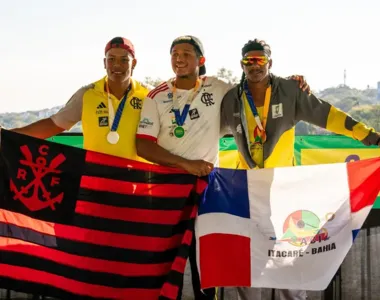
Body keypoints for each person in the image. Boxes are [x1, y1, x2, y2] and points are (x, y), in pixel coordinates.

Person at [135, 35, 310, 300]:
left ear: (200, 60)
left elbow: (256, 85)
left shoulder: (219, 88)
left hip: (207, 190)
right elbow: (144, 146)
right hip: (166, 191)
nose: (179, 59)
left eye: (186, 54)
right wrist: (186, 164)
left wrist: (291, 82)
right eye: (174, 53)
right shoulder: (155, 96)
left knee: (206, 262)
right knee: (163, 262)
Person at [220, 38, 380, 300]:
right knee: (247, 263)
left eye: (260, 59)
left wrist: (370, 136)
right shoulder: (231, 99)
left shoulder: (289, 91)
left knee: (288, 263)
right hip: (246, 193)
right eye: (249, 60)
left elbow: (328, 115)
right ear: (242, 64)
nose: (254, 65)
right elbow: (203, 131)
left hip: (283, 193)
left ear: (270, 63)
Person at [8, 37, 150, 160]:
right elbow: (54, 124)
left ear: (134, 63)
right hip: (96, 182)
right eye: (111, 59)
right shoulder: (87, 94)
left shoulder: (149, 95)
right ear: (104, 63)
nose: (117, 65)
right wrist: (7, 136)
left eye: (124, 60)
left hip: (137, 183)